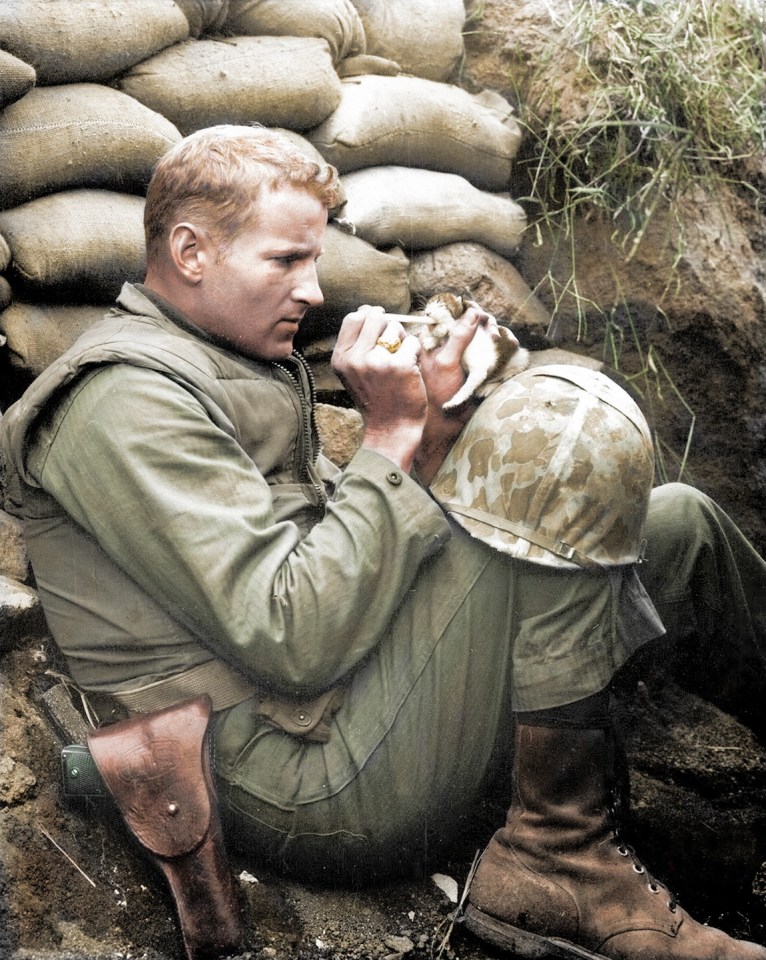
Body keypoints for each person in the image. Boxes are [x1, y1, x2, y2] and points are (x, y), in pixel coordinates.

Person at [1, 124, 765, 960]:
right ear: (189, 250)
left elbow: (341, 564)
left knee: (679, 525)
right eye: (286, 261)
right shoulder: (121, 404)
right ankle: (558, 855)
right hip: (296, 776)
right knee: (554, 459)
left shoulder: (220, 364)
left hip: (341, 704)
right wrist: (393, 438)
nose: (315, 290)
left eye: (316, 261)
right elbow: (292, 639)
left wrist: (436, 432)